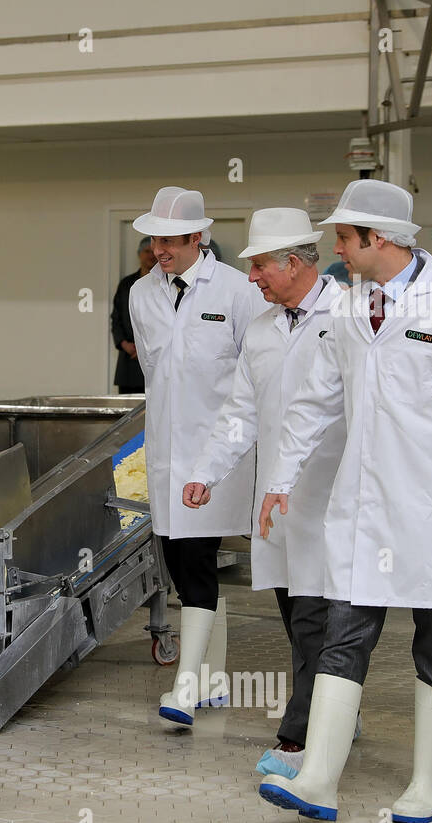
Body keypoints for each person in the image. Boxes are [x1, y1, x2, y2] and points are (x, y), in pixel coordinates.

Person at [256, 180, 432, 823]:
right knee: (346, 630)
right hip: (363, 506)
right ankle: (318, 778)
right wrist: (280, 479)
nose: (337, 251)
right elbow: (315, 400)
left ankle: (427, 783)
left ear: (378, 239)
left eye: (344, 239)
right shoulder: (347, 310)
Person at [183, 208, 347, 777]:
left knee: (316, 620)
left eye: (259, 267)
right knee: (297, 615)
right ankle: (333, 713)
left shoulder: (347, 315)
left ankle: (300, 739)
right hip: (276, 506)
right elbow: (240, 413)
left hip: (332, 497)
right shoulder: (261, 329)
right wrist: (207, 470)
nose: (251, 277)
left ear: (294, 263)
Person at [127, 186, 267, 727]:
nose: (159, 250)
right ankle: (212, 678)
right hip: (165, 450)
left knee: (196, 558)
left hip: (218, 451)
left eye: (170, 240)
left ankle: (184, 689)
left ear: (197, 238)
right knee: (185, 565)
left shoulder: (236, 291)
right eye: (154, 240)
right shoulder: (142, 295)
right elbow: (155, 374)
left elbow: (254, 374)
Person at [110, 237, 154, 394]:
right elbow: (116, 318)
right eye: (146, 251)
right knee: (127, 413)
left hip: (155, 359)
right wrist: (125, 344)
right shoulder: (126, 284)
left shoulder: (166, 283)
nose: (151, 255)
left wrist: (147, 348)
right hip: (129, 361)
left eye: (153, 251)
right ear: (139, 254)